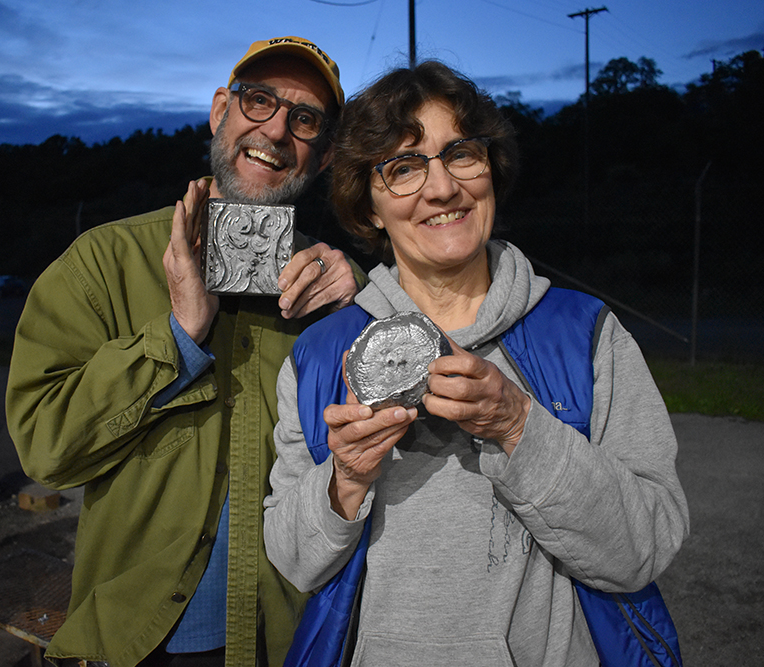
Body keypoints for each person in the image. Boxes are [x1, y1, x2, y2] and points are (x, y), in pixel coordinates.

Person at [263, 61, 689, 666]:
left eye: (460, 154)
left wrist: (519, 425)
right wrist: (346, 481)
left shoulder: (585, 333)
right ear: (370, 207)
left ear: (490, 168)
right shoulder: (320, 357)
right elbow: (293, 561)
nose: (442, 189)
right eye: (403, 168)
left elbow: (647, 546)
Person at [6, 37, 361, 667]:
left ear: (325, 152)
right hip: (144, 640)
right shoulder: (103, 262)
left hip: (286, 639)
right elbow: (45, 446)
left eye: (304, 119)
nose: (276, 130)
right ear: (221, 109)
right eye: (259, 102)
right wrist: (177, 336)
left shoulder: (333, 289)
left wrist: (361, 316)